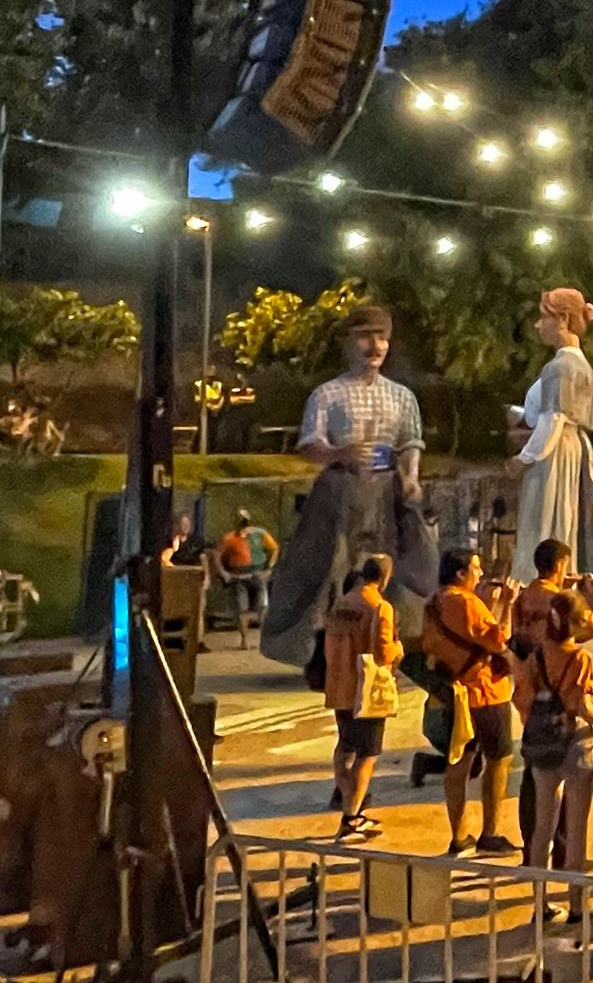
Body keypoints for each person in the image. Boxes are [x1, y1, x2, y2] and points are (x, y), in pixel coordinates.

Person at [263, 305, 436, 669]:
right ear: (348, 342)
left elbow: (411, 443)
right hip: (339, 492)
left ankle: (392, 646)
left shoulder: (402, 397)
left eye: (382, 337)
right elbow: (311, 444)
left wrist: (411, 478)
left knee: (397, 566)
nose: (374, 346)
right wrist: (340, 452)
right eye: (365, 336)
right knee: (331, 569)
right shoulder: (328, 394)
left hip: (388, 494)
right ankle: (324, 655)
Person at [514, 590, 593, 914]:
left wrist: (540, 722)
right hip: (576, 743)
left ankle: (539, 903)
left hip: (544, 745)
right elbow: (580, 703)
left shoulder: (537, 656)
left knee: (542, 828)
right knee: (576, 828)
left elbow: (522, 698)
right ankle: (575, 904)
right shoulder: (579, 658)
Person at [511, 539, 593, 860]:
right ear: (561, 564)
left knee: (537, 793)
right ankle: (568, 865)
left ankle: (533, 863)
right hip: (568, 717)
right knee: (573, 811)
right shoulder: (563, 604)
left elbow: (517, 640)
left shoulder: (523, 597)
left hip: (536, 700)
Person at [424, 547, 518, 857]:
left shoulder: (435, 602)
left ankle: (459, 835)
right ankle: (489, 832)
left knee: (459, 764)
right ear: (461, 574)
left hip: (453, 693)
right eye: (475, 569)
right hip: (484, 691)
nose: (480, 574)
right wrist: (505, 604)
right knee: (498, 760)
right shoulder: (465, 602)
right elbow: (497, 639)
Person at [512, 288, 593, 580]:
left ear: (562, 319)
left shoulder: (560, 367)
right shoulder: (579, 364)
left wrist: (523, 458)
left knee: (546, 516)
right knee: (562, 515)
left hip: (556, 451)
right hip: (569, 445)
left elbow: (553, 420)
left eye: (543, 317)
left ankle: (540, 580)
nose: (538, 325)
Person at [323, 553, 401, 840]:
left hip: (339, 685)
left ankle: (347, 800)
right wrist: (399, 648)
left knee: (344, 747)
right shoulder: (380, 607)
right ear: (385, 576)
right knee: (367, 754)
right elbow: (383, 652)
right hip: (366, 691)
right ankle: (351, 817)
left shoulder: (341, 603)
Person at [217, 510, 278, 648]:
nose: (243, 523)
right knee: (241, 608)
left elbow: (274, 548)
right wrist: (223, 572)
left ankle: (264, 641)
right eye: (240, 520)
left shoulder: (259, 534)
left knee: (262, 607)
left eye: (244, 520)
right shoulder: (229, 538)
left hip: (256, 572)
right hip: (238, 575)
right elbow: (217, 554)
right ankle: (245, 640)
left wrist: (270, 567)